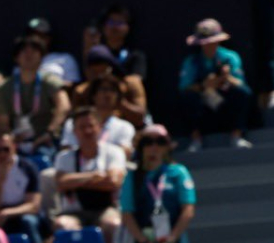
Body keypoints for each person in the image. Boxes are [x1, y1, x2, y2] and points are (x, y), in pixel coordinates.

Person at [177, 19, 255, 151]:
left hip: (226, 103)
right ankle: (196, 139)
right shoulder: (192, 61)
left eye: (212, 41)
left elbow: (240, 82)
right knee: (188, 97)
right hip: (204, 106)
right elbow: (184, 86)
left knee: (242, 92)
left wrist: (225, 78)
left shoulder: (230, 57)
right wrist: (204, 85)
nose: (209, 45)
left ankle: (236, 136)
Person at [53, 108, 127, 241]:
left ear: (99, 127)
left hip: (105, 209)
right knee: (62, 225)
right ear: (75, 131)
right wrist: (94, 176)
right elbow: (61, 183)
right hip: (74, 212)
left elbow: (113, 182)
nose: (87, 131)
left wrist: (75, 182)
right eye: (82, 127)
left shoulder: (114, 152)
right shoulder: (64, 157)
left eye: (91, 126)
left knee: (113, 224)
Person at [0, 34, 72, 155]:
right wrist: (10, 139)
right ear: (16, 57)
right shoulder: (3, 88)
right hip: (16, 141)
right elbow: (3, 123)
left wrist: (50, 132)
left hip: (46, 140)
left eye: (34, 51)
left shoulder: (50, 81)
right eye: (24, 51)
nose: (29, 55)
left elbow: (64, 106)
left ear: (41, 57)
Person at [119, 125, 196, 243]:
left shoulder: (178, 172)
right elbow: (127, 212)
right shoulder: (132, 176)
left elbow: (188, 209)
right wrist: (142, 239)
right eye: (148, 142)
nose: (154, 147)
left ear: (167, 147)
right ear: (141, 147)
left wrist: (172, 237)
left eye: (160, 142)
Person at [0, 133, 45, 243]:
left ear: (14, 147)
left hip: (21, 214)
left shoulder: (28, 168)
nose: (2, 154)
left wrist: (7, 213)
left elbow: (33, 206)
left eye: (6, 149)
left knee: (28, 222)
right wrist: (0, 181)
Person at [74, 45, 149, 127]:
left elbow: (140, 118)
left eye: (103, 71)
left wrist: (120, 102)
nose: (100, 77)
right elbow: (75, 121)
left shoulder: (131, 84)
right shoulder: (81, 92)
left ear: (111, 68)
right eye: (95, 73)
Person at [61, 75, 138, 155]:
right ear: (93, 95)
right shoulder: (73, 124)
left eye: (113, 90)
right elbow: (67, 151)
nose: (108, 94)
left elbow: (124, 153)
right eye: (104, 89)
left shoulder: (125, 127)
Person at [96, 4, 148, 79]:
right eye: (111, 22)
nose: (115, 27)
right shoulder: (97, 54)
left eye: (120, 22)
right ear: (103, 26)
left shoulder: (136, 56)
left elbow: (136, 83)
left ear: (128, 28)